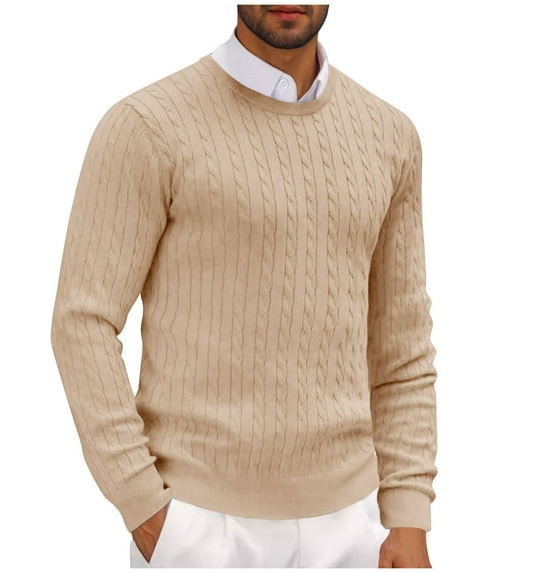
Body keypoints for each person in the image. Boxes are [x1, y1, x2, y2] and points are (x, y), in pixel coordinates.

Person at [51, 4, 438, 568]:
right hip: (201, 526)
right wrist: (143, 505)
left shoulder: (389, 136)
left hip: (358, 526)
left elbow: (402, 349)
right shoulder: (147, 126)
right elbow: (83, 321)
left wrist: (408, 516)